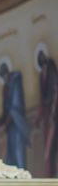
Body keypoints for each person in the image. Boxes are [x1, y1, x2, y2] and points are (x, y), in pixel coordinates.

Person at [0, 60, 31, 170]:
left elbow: (14, 109)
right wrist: (0, 122)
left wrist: (5, 124)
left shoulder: (15, 83)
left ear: (7, 73)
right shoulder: (6, 87)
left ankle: (23, 183)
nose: (4, 79)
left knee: (18, 155)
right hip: (11, 128)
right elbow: (6, 110)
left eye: (4, 75)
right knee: (11, 157)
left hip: (17, 126)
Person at [37, 47, 58, 178]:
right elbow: (43, 97)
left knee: (51, 145)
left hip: (54, 114)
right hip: (48, 113)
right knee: (49, 149)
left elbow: (55, 91)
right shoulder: (42, 74)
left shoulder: (51, 68)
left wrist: (52, 112)